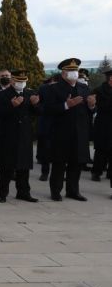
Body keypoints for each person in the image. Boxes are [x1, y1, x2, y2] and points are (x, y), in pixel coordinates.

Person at [44, 58, 96, 201]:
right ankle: (56, 191)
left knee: (76, 163)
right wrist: (66, 105)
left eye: (76, 70)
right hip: (61, 132)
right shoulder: (53, 89)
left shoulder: (84, 88)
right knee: (59, 163)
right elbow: (47, 110)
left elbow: (89, 111)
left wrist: (92, 106)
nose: (74, 73)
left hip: (80, 133)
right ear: (63, 74)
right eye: (71, 71)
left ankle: (73, 191)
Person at [0, 70, 41, 202]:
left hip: (25, 134)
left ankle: (23, 192)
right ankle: (2, 194)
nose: (21, 83)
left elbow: (39, 112)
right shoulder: (3, 94)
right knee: (7, 166)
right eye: (19, 81)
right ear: (12, 81)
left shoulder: (30, 93)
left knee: (24, 166)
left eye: (23, 81)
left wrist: (35, 104)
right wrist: (12, 105)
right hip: (9, 134)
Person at [91, 69, 112, 184]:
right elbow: (101, 107)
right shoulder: (100, 90)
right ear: (110, 78)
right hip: (104, 124)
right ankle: (96, 172)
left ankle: (110, 173)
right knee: (101, 150)